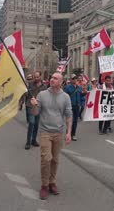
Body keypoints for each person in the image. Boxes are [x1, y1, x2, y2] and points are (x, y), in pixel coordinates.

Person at [30, 72, 72, 200]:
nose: (52, 79)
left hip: (58, 132)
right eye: (51, 77)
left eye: (55, 78)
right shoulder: (42, 95)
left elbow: (69, 115)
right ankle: (44, 185)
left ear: (61, 82)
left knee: (55, 160)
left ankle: (52, 182)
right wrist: (33, 106)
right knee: (46, 159)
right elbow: (35, 113)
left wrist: (69, 132)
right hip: (45, 132)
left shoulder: (65, 97)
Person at [23, 71, 47, 150]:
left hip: (39, 107)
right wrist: (27, 93)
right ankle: (28, 142)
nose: (36, 78)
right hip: (30, 106)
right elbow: (25, 94)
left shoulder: (44, 86)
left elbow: (46, 97)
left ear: (40, 76)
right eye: (35, 77)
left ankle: (33, 140)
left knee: (36, 124)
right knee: (31, 123)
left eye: (37, 77)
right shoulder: (30, 84)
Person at [63, 75, 82, 141]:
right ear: (71, 80)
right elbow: (65, 97)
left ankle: (73, 134)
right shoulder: (67, 87)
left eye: (75, 79)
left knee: (75, 121)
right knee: (70, 120)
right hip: (70, 106)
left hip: (77, 106)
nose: (74, 80)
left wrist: (81, 104)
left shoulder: (79, 87)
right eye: (73, 79)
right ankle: (68, 133)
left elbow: (81, 96)